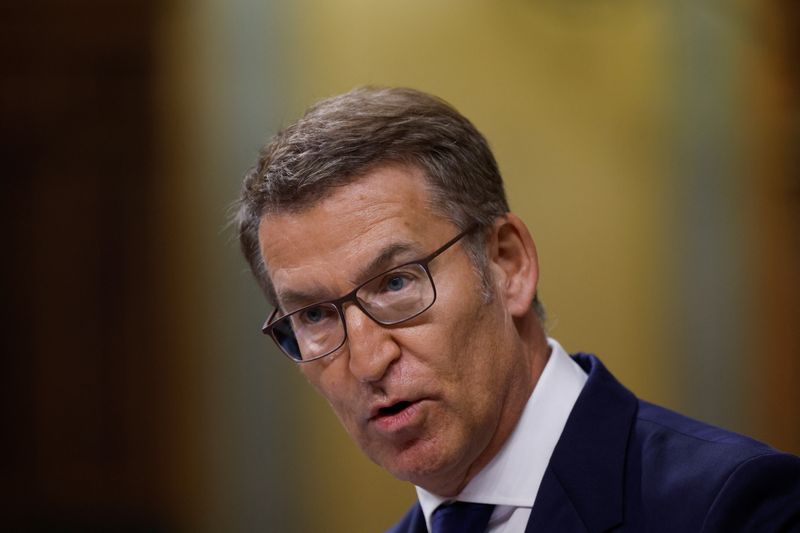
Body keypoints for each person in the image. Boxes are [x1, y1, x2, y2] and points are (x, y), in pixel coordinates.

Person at [235, 87, 800, 532]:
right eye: (313, 315)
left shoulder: (732, 507)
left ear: (508, 265)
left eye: (397, 282)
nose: (365, 361)